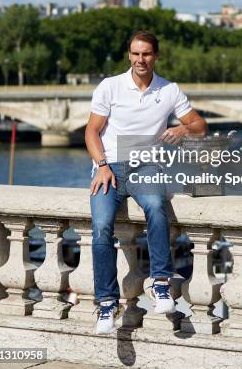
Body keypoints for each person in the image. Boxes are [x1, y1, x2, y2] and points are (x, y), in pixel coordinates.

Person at [85, 30, 208, 334]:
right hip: (108, 166)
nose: (141, 60)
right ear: (129, 55)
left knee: (156, 206)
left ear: (156, 56)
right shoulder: (110, 86)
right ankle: (107, 304)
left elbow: (200, 126)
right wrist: (101, 165)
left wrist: (181, 130)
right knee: (101, 226)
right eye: (136, 53)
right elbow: (91, 132)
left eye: (147, 54)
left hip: (145, 166)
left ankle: (161, 283)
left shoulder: (169, 90)